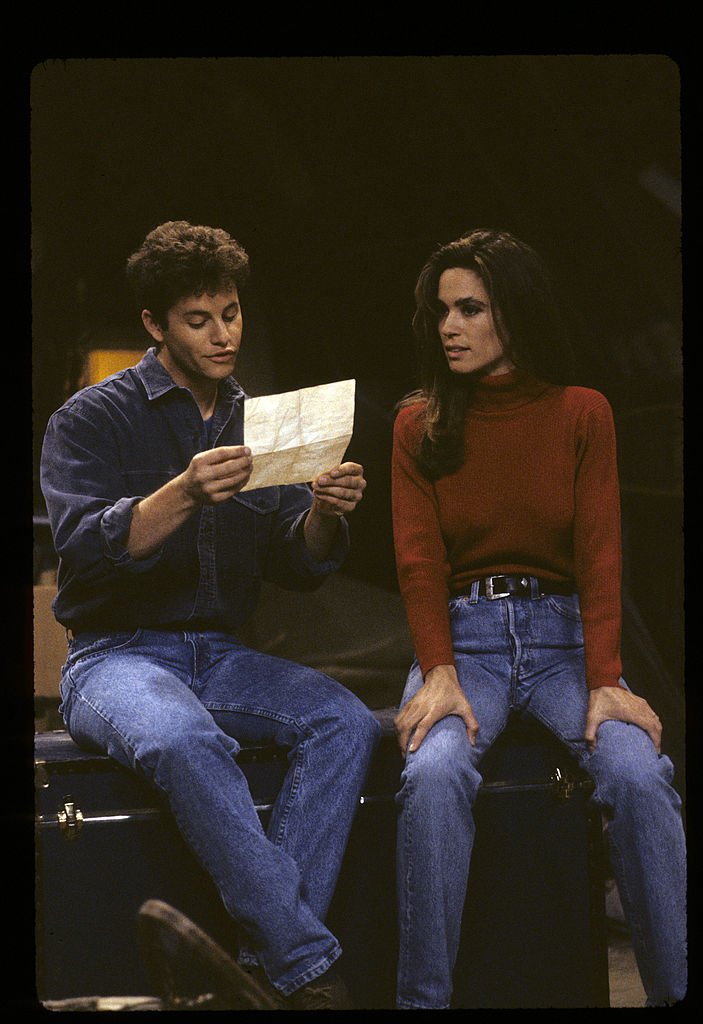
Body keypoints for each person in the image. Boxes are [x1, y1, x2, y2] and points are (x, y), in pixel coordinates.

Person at [40, 220, 382, 1011]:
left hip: (221, 656)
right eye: (200, 320)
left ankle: (260, 973)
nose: (223, 334)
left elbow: (296, 561)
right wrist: (185, 491)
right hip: (115, 656)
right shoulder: (91, 418)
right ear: (155, 325)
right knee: (180, 735)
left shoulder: (252, 419)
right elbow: (89, 550)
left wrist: (327, 513)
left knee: (344, 721)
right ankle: (306, 970)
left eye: (230, 313)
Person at [391, 229, 687, 1009]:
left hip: (563, 641)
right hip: (464, 642)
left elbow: (599, 556)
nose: (447, 326)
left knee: (638, 775)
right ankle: (423, 1002)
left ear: (513, 314)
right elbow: (418, 563)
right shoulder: (417, 423)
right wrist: (439, 673)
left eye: (469, 309)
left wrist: (606, 679)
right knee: (430, 773)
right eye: (440, 311)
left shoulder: (582, 413)